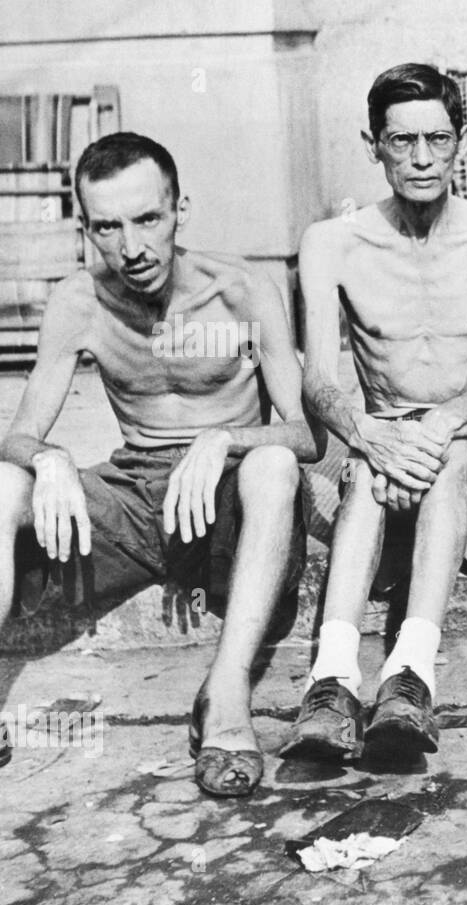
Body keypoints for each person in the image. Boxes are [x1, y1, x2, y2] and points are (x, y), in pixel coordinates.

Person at [0, 132, 318, 795]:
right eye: (108, 227)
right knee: (5, 483)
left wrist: (228, 440)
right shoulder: (80, 302)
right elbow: (20, 433)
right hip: (136, 496)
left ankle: (226, 699)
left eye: (148, 218)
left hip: (229, 498)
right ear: (85, 228)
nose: (131, 247)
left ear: (181, 210)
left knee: (274, 469)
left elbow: (306, 435)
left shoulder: (241, 289)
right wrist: (50, 458)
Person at [285, 63, 467, 765]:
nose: (423, 158)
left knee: (450, 448)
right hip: (384, 455)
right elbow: (317, 378)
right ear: (374, 143)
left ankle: (412, 674)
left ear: (462, 138)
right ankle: (333, 679)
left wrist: (439, 424)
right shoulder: (332, 242)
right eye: (403, 141)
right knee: (372, 457)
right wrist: (368, 430)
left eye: (438, 137)